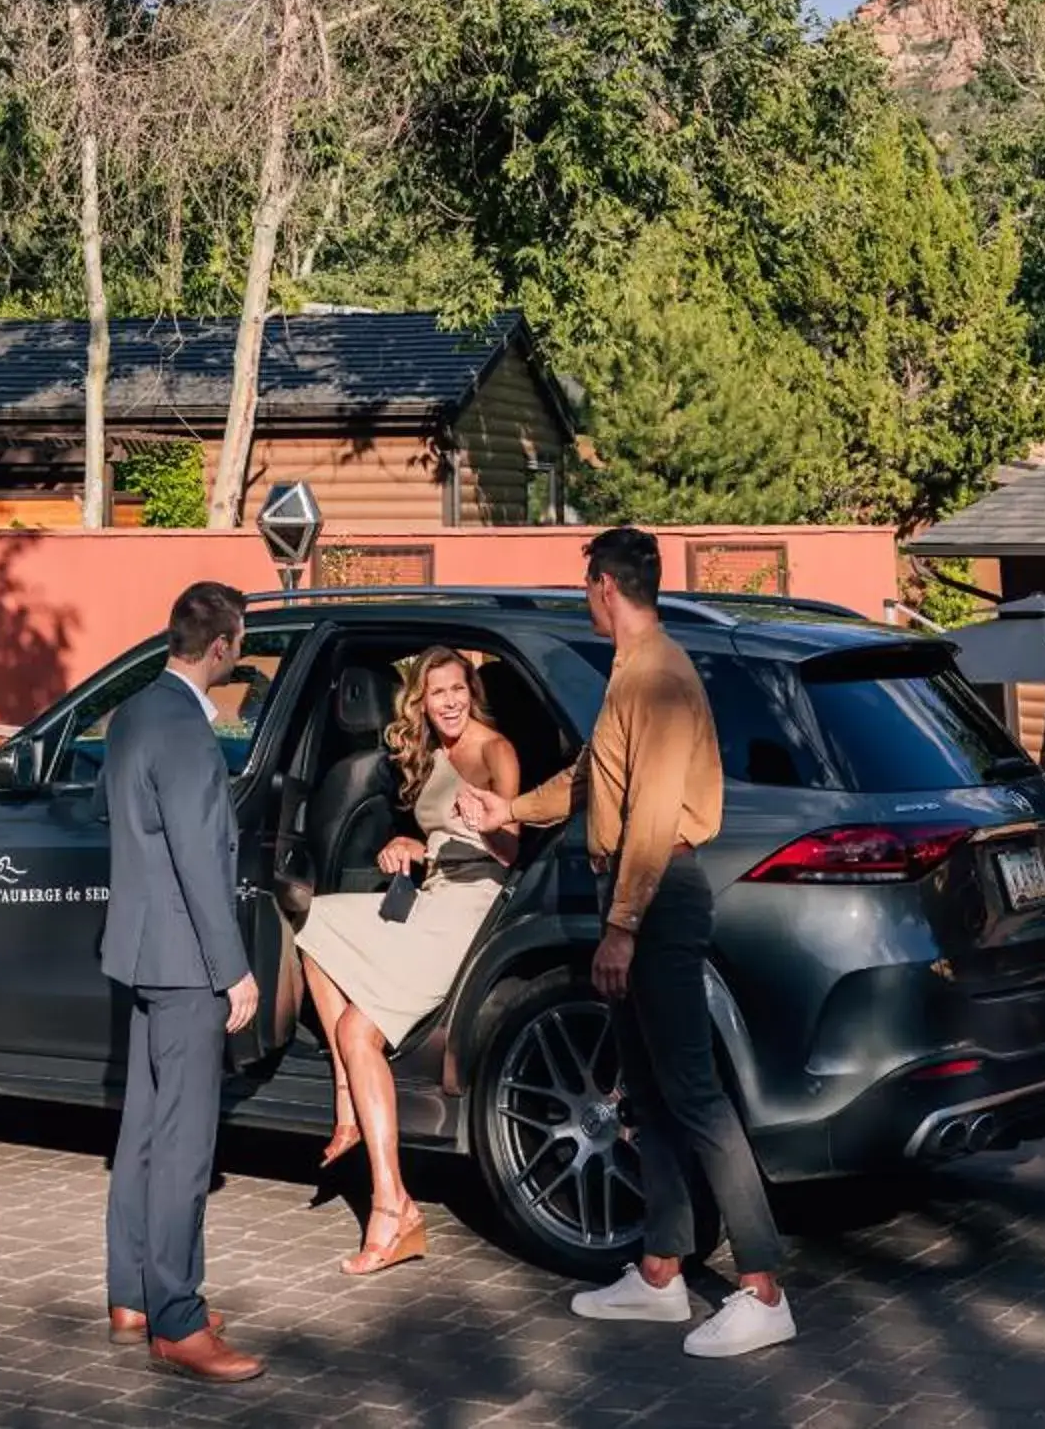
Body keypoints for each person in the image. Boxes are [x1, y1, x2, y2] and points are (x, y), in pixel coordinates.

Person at [455, 528, 794, 1361]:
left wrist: (621, 927)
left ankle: (763, 1290)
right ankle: (658, 1273)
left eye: (586, 586)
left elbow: (650, 815)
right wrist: (511, 811)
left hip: (660, 897)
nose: (585, 598)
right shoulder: (631, 675)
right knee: (647, 1089)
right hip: (642, 894)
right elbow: (591, 779)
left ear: (606, 585)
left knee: (695, 1094)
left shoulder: (663, 677)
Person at [295, 646, 520, 1275]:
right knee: (314, 921)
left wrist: (490, 823)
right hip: (431, 895)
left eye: (457, 689)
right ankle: (353, 1110)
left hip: (471, 906)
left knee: (355, 1029)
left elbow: (511, 849)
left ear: (471, 692)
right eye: (435, 692)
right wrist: (411, 845)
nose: (447, 702)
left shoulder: (494, 750)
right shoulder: (432, 753)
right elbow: (442, 841)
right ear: (419, 701)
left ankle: (393, 1212)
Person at [100, 580, 267, 1385]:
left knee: (140, 1129)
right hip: (187, 962)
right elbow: (203, 865)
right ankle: (177, 1317)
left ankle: (130, 1293)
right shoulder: (194, 737)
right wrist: (234, 969)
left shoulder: (132, 713)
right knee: (184, 1142)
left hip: (136, 952)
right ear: (224, 646)